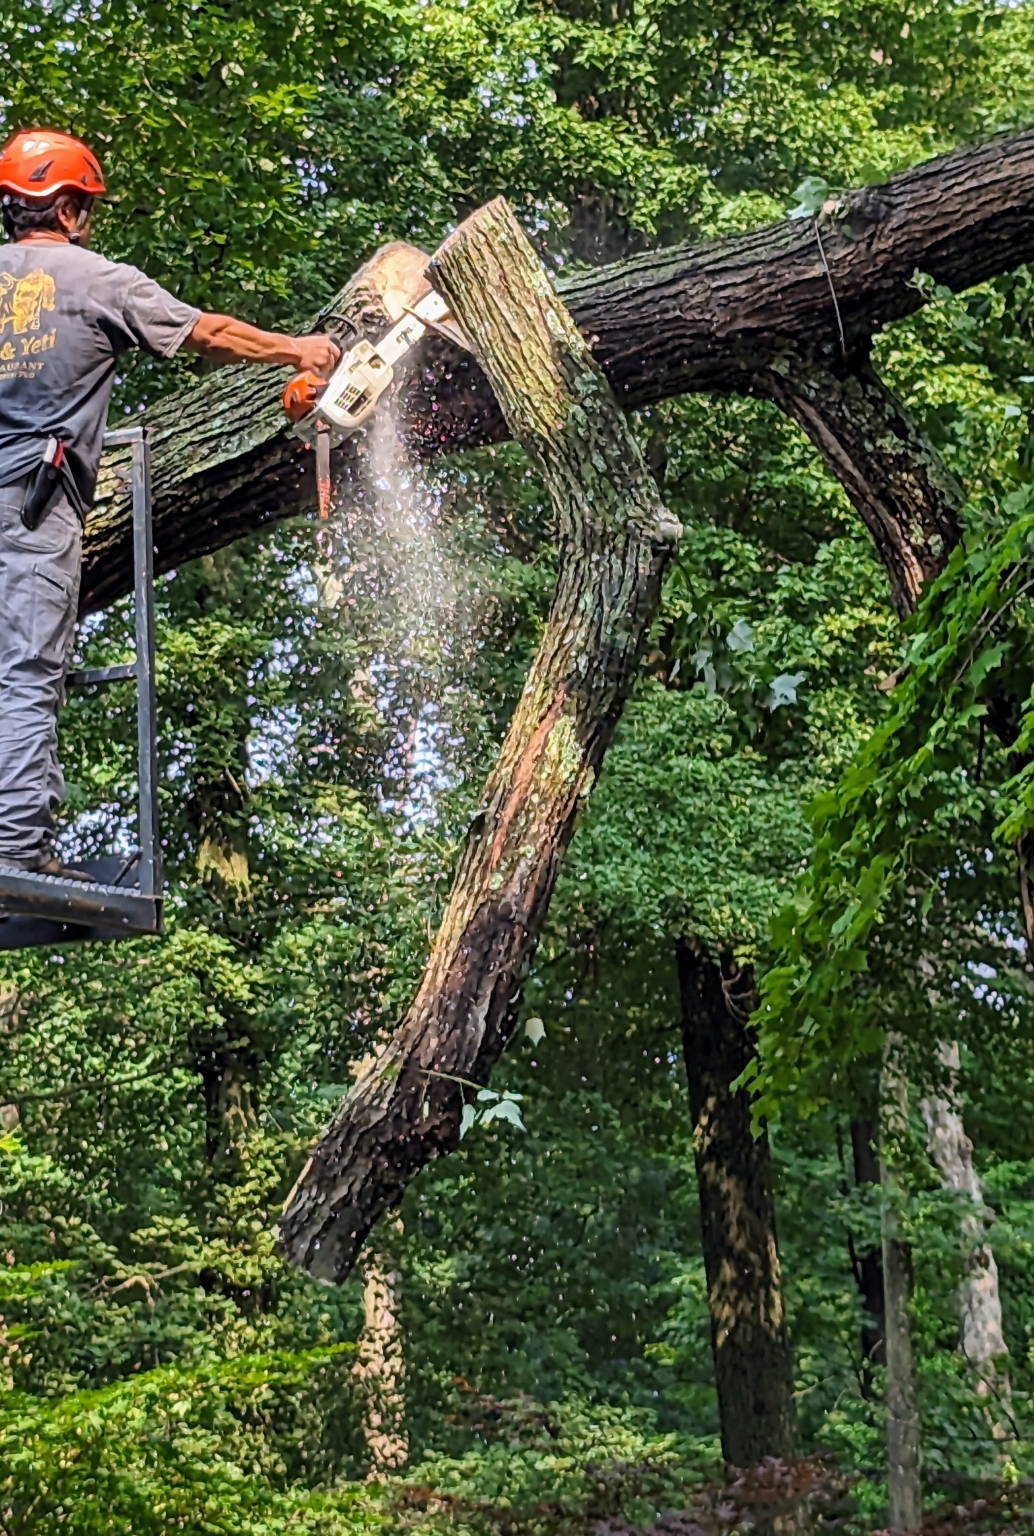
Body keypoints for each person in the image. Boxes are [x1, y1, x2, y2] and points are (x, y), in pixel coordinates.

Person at [0, 130, 340, 880]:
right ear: (66, 209)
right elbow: (206, 334)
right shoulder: (97, 280)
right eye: (85, 208)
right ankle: (16, 851)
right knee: (27, 671)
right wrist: (298, 350)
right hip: (33, 504)